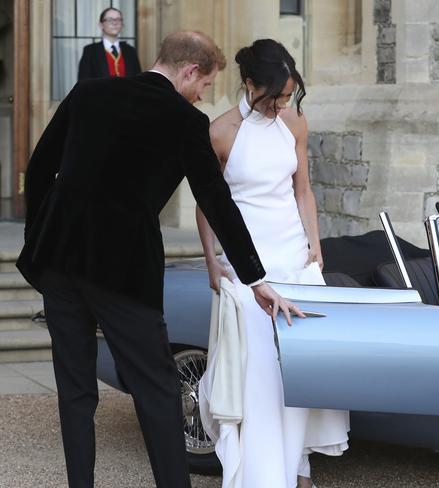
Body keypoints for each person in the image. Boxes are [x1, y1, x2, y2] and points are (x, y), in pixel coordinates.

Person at [16, 31, 300, 488]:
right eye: (205, 84)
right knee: (159, 391)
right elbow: (215, 198)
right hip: (123, 270)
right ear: (190, 71)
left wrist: (38, 242)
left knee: (75, 391)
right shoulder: (186, 120)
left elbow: (42, 162)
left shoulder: (89, 92)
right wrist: (256, 277)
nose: (202, 93)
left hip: (60, 261)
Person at [196, 39, 349, 488]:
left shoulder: (295, 121)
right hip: (248, 265)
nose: (283, 104)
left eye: (287, 96)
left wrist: (315, 246)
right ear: (249, 85)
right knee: (259, 374)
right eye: (275, 97)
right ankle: (262, 475)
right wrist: (211, 261)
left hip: (294, 259)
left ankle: (298, 467)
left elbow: (303, 187)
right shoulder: (220, 131)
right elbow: (208, 205)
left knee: (301, 369)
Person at [77, 7, 141, 81]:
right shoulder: (90, 51)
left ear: (122, 24)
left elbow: (138, 80)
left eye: (118, 19)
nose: (115, 23)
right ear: (101, 25)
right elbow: (84, 82)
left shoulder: (130, 51)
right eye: (110, 20)